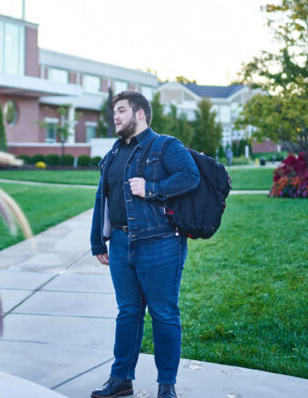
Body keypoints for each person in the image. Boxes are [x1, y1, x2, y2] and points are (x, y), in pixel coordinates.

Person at [89, 90, 200, 398]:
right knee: (127, 312)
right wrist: (98, 240)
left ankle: (167, 385)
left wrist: (152, 188)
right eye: (115, 111)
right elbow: (103, 196)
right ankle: (121, 379)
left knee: (164, 313)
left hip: (160, 242)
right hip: (122, 244)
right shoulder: (114, 151)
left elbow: (190, 176)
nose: (116, 116)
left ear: (139, 114)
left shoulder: (165, 145)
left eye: (121, 111)